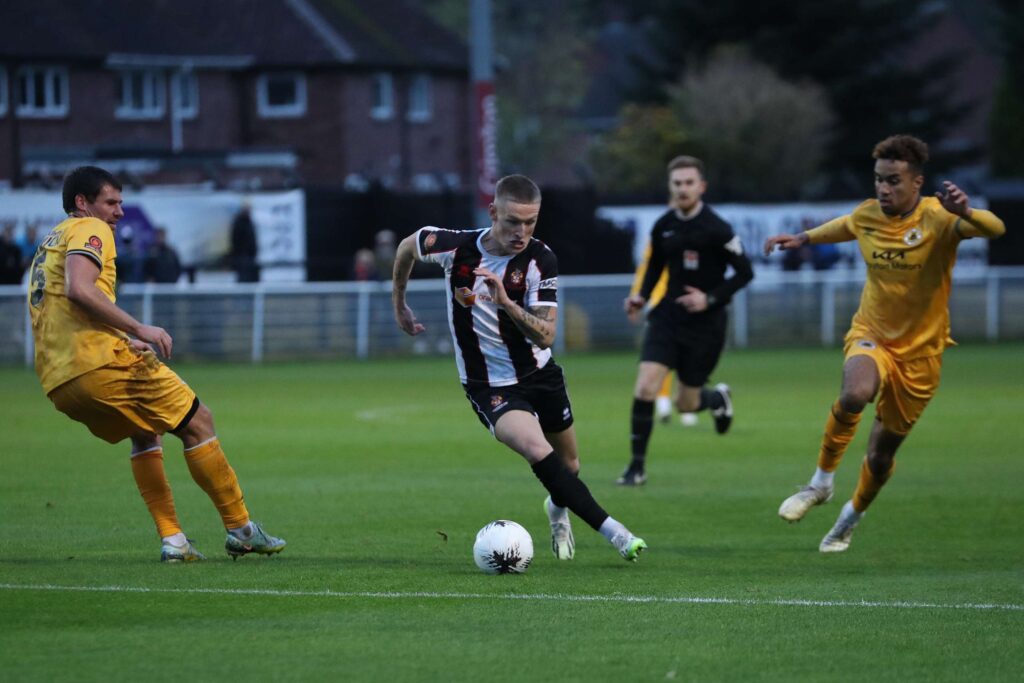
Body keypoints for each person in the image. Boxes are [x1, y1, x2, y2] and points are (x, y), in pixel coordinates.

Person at [27, 166, 285, 562]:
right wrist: (139, 327)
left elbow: (64, 308)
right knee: (199, 422)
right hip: (98, 366)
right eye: (111, 202)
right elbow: (80, 290)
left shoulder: (50, 242)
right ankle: (242, 529)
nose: (119, 212)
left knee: (147, 434)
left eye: (121, 203)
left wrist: (121, 337)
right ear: (83, 203)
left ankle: (174, 542)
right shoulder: (88, 230)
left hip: (60, 381)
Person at [764, 135, 1006, 552]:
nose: (883, 189)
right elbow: (845, 225)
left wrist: (966, 212)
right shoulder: (869, 215)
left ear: (917, 183)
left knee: (879, 457)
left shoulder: (940, 218)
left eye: (893, 181)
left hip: (921, 356)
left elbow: (996, 228)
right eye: (878, 180)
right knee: (856, 391)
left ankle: (850, 517)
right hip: (871, 334)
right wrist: (802, 239)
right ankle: (820, 484)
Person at [392, 174, 647, 562]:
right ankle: (617, 533)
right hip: (488, 384)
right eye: (513, 221)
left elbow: (545, 337)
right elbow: (406, 248)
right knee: (535, 448)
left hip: (540, 375)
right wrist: (400, 304)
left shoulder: (541, 260)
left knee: (570, 467)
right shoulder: (453, 247)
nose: (521, 231)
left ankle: (557, 509)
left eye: (531, 222)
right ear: (493, 212)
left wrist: (506, 303)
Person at [619, 156, 754, 485]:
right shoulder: (663, 225)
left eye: (689, 182)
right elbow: (655, 268)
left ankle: (716, 398)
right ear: (671, 186)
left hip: (706, 326)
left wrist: (707, 298)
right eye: (677, 183)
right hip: (667, 318)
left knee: (686, 404)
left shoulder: (717, 228)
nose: (682, 188)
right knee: (645, 386)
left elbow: (745, 273)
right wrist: (642, 296)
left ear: (701, 187)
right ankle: (636, 468)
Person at [230, 201, 259, 282]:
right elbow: (236, 240)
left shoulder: (249, 221)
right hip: (242, 258)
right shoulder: (239, 223)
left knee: (252, 280)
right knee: (243, 280)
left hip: (250, 257)